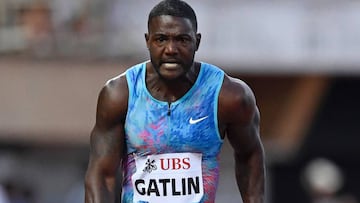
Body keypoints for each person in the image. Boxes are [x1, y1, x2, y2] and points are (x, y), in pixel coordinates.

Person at [84, 0, 266, 202]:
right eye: (161, 39)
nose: (171, 49)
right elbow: (102, 174)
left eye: (182, 40)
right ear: (148, 41)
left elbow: (249, 154)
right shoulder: (120, 94)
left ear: (197, 42)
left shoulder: (228, 96)